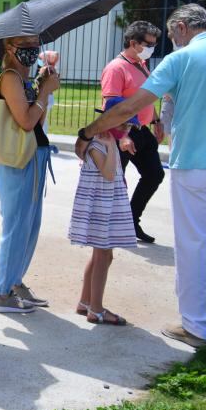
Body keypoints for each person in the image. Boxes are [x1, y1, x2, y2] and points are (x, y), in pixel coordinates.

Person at [76, 4, 206, 349]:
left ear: (184, 27)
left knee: (194, 244)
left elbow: (127, 108)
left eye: (173, 33)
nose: (171, 41)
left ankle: (196, 327)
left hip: (194, 163)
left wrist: (89, 132)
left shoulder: (182, 59)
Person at [0, 34, 60, 314]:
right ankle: (1, 291)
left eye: (34, 45)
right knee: (17, 225)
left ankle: (15, 283)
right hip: (19, 158)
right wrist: (44, 92)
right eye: (24, 45)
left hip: (35, 155)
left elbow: (38, 118)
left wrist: (44, 86)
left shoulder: (25, 80)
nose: (31, 50)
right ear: (9, 48)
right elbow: (26, 121)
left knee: (30, 226)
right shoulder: (9, 77)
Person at [69, 97, 138, 326]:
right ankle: (96, 309)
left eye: (128, 125)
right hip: (100, 207)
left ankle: (85, 301)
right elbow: (108, 174)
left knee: (103, 255)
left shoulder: (107, 142)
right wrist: (110, 147)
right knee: (102, 255)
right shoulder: (99, 144)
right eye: (122, 124)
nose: (125, 129)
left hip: (107, 204)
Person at [100, 21, 166, 243]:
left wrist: (156, 119)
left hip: (142, 130)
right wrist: (123, 136)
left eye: (154, 44)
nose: (152, 47)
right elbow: (111, 104)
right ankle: (108, 227)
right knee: (115, 183)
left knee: (155, 174)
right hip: (123, 131)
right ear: (133, 43)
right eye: (148, 44)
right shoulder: (116, 68)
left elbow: (145, 96)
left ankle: (130, 220)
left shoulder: (141, 64)